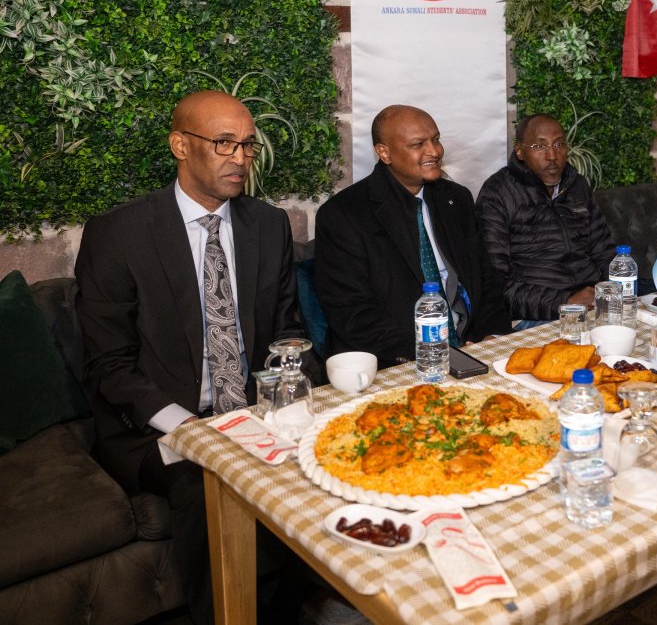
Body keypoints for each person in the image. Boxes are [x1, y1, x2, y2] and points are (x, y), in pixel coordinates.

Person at [75, 90, 307, 623]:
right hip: (164, 425)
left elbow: (287, 332)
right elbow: (109, 364)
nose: (241, 157)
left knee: (318, 463)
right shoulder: (119, 233)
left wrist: (288, 401)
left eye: (248, 145)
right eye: (224, 142)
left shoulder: (267, 226)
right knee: (212, 481)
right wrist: (192, 430)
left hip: (252, 412)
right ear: (180, 145)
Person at [315, 105, 510, 367]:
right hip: (395, 362)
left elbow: (486, 281)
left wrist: (491, 337)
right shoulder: (344, 215)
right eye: (418, 144)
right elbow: (353, 317)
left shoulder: (456, 199)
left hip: (473, 350)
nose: (435, 151)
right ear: (384, 153)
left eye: (436, 139)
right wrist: (438, 355)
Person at [475, 113, 616, 324]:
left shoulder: (577, 185)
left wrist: (612, 290)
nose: (552, 155)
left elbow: (605, 254)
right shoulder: (497, 193)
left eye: (559, 144)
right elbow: (496, 284)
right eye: (540, 147)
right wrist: (564, 301)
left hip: (592, 302)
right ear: (520, 151)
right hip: (537, 314)